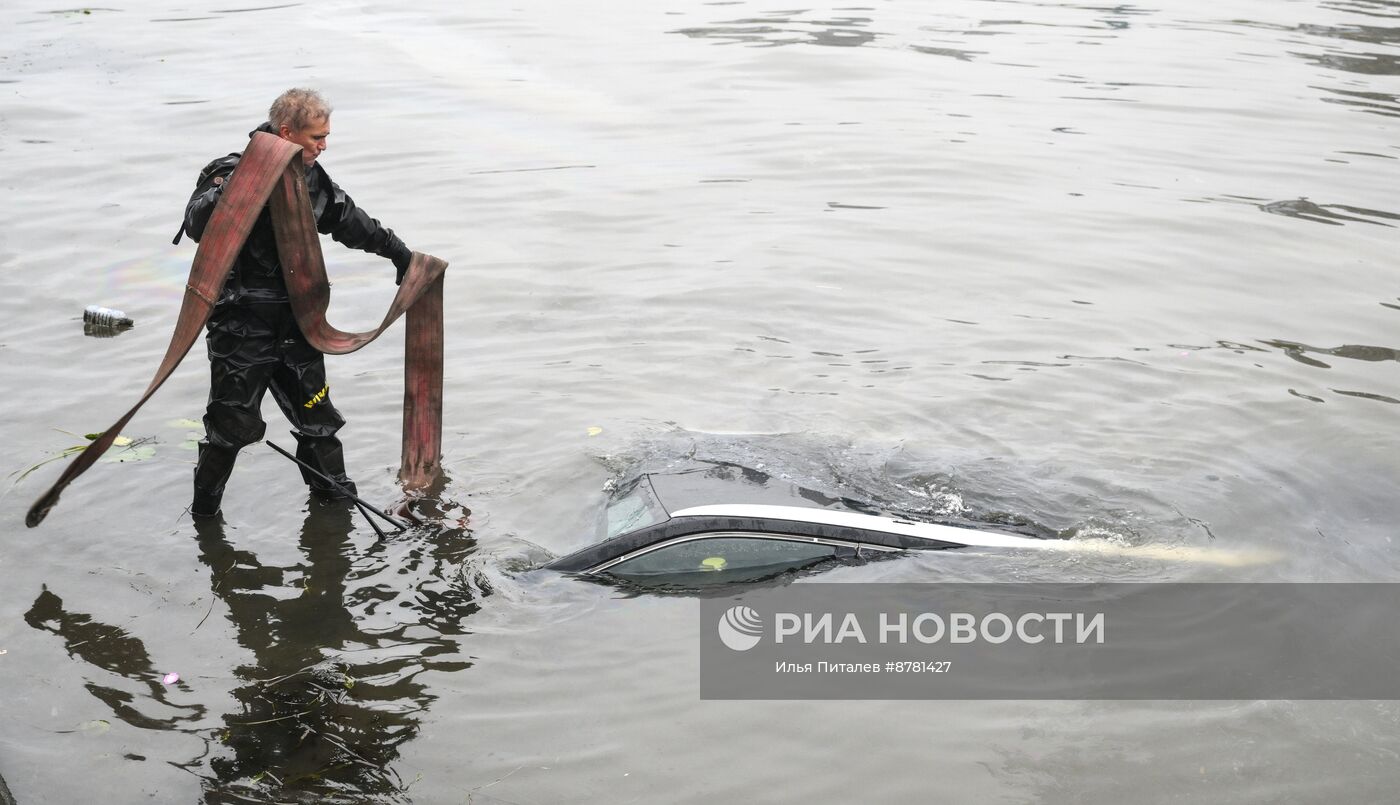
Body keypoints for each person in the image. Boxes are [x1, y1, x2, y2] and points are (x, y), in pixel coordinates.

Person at [178, 88, 413, 519]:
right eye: (316, 138)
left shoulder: (310, 177)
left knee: (318, 421)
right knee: (230, 428)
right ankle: (203, 517)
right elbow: (195, 225)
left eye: (326, 137)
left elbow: (349, 219)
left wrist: (400, 253)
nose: (323, 146)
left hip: (299, 323)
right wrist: (238, 185)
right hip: (241, 325)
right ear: (287, 132)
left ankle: (338, 509)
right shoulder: (229, 170)